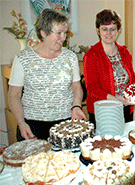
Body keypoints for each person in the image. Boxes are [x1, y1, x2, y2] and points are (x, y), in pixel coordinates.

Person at [8, 9, 87, 141]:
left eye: (65, 33)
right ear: (43, 33)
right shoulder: (23, 58)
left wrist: (77, 106)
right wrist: (21, 122)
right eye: (59, 33)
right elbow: (13, 95)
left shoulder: (70, 57)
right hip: (32, 125)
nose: (64, 38)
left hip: (66, 123)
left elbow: (76, 87)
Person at [83, 9, 135, 124]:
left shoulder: (125, 52)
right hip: (103, 111)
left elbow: (133, 79)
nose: (109, 33)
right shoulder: (91, 55)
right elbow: (92, 88)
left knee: (125, 140)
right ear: (98, 31)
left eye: (112, 29)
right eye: (104, 29)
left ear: (118, 30)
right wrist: (116, 100)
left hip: (126, 108)